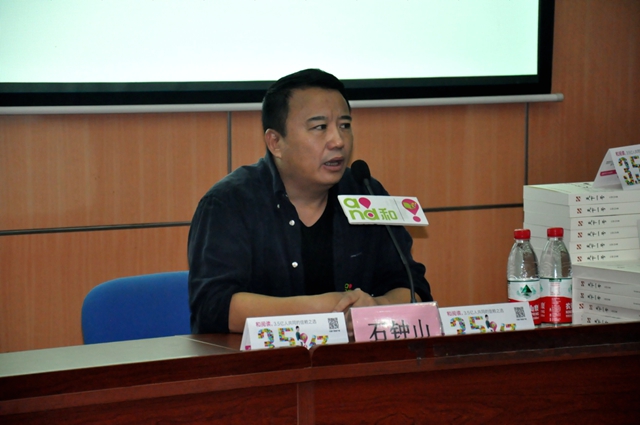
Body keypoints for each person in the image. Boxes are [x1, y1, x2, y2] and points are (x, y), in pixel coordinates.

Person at [188, 69, 432, 334]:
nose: (338, 141)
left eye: (344, 125)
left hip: (353, 356)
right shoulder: (229, 203)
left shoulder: (366, 193)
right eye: (320, 127)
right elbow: (212, 307)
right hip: (260, 358)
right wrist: (322, 309)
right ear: (275, 142)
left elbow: (413, 288)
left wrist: (374, 307)